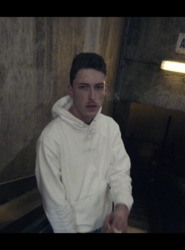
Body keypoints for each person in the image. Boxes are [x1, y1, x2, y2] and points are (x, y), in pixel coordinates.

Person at [35, 52, 133, 233]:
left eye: (98, 87)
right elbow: (54, 202)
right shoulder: (51, 139)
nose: (92, 96)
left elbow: (119, 172)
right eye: (83, 87)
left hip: (104, 227)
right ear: (70, 90)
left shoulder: (110, 128)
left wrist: (122, 207)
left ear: (105, 89)